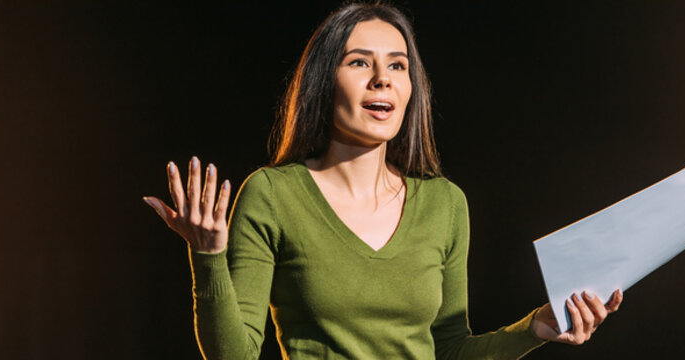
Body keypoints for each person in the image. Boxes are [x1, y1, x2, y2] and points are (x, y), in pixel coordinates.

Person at [142, 3, 622, 359]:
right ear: (323, 83)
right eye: (358, 62)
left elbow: (449, 348)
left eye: (397, 65)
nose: (382, 79)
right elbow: (235, 355)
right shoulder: (272, 195)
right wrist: (208, 256)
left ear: (412, 88)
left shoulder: (445, 204)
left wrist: (534, 327)